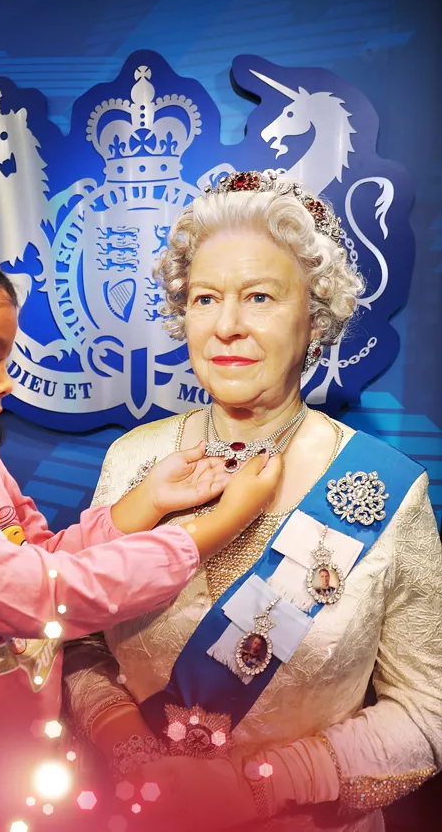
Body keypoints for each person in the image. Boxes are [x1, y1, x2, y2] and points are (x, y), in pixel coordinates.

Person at [62, 170, 442, 832]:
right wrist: (134, 752)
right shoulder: (132, 461)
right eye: (205, 299)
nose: (226, 327)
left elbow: (429, 707)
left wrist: (259, 787)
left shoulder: (385, 486)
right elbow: (80, 647)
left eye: (259, 297)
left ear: (314, 317)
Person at [0, 227, 281, 832]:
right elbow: (50, 593)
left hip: (29, 779)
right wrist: (216, 526)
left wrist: (146, 501)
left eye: (262, 298)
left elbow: (37, 555)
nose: (6, 383)